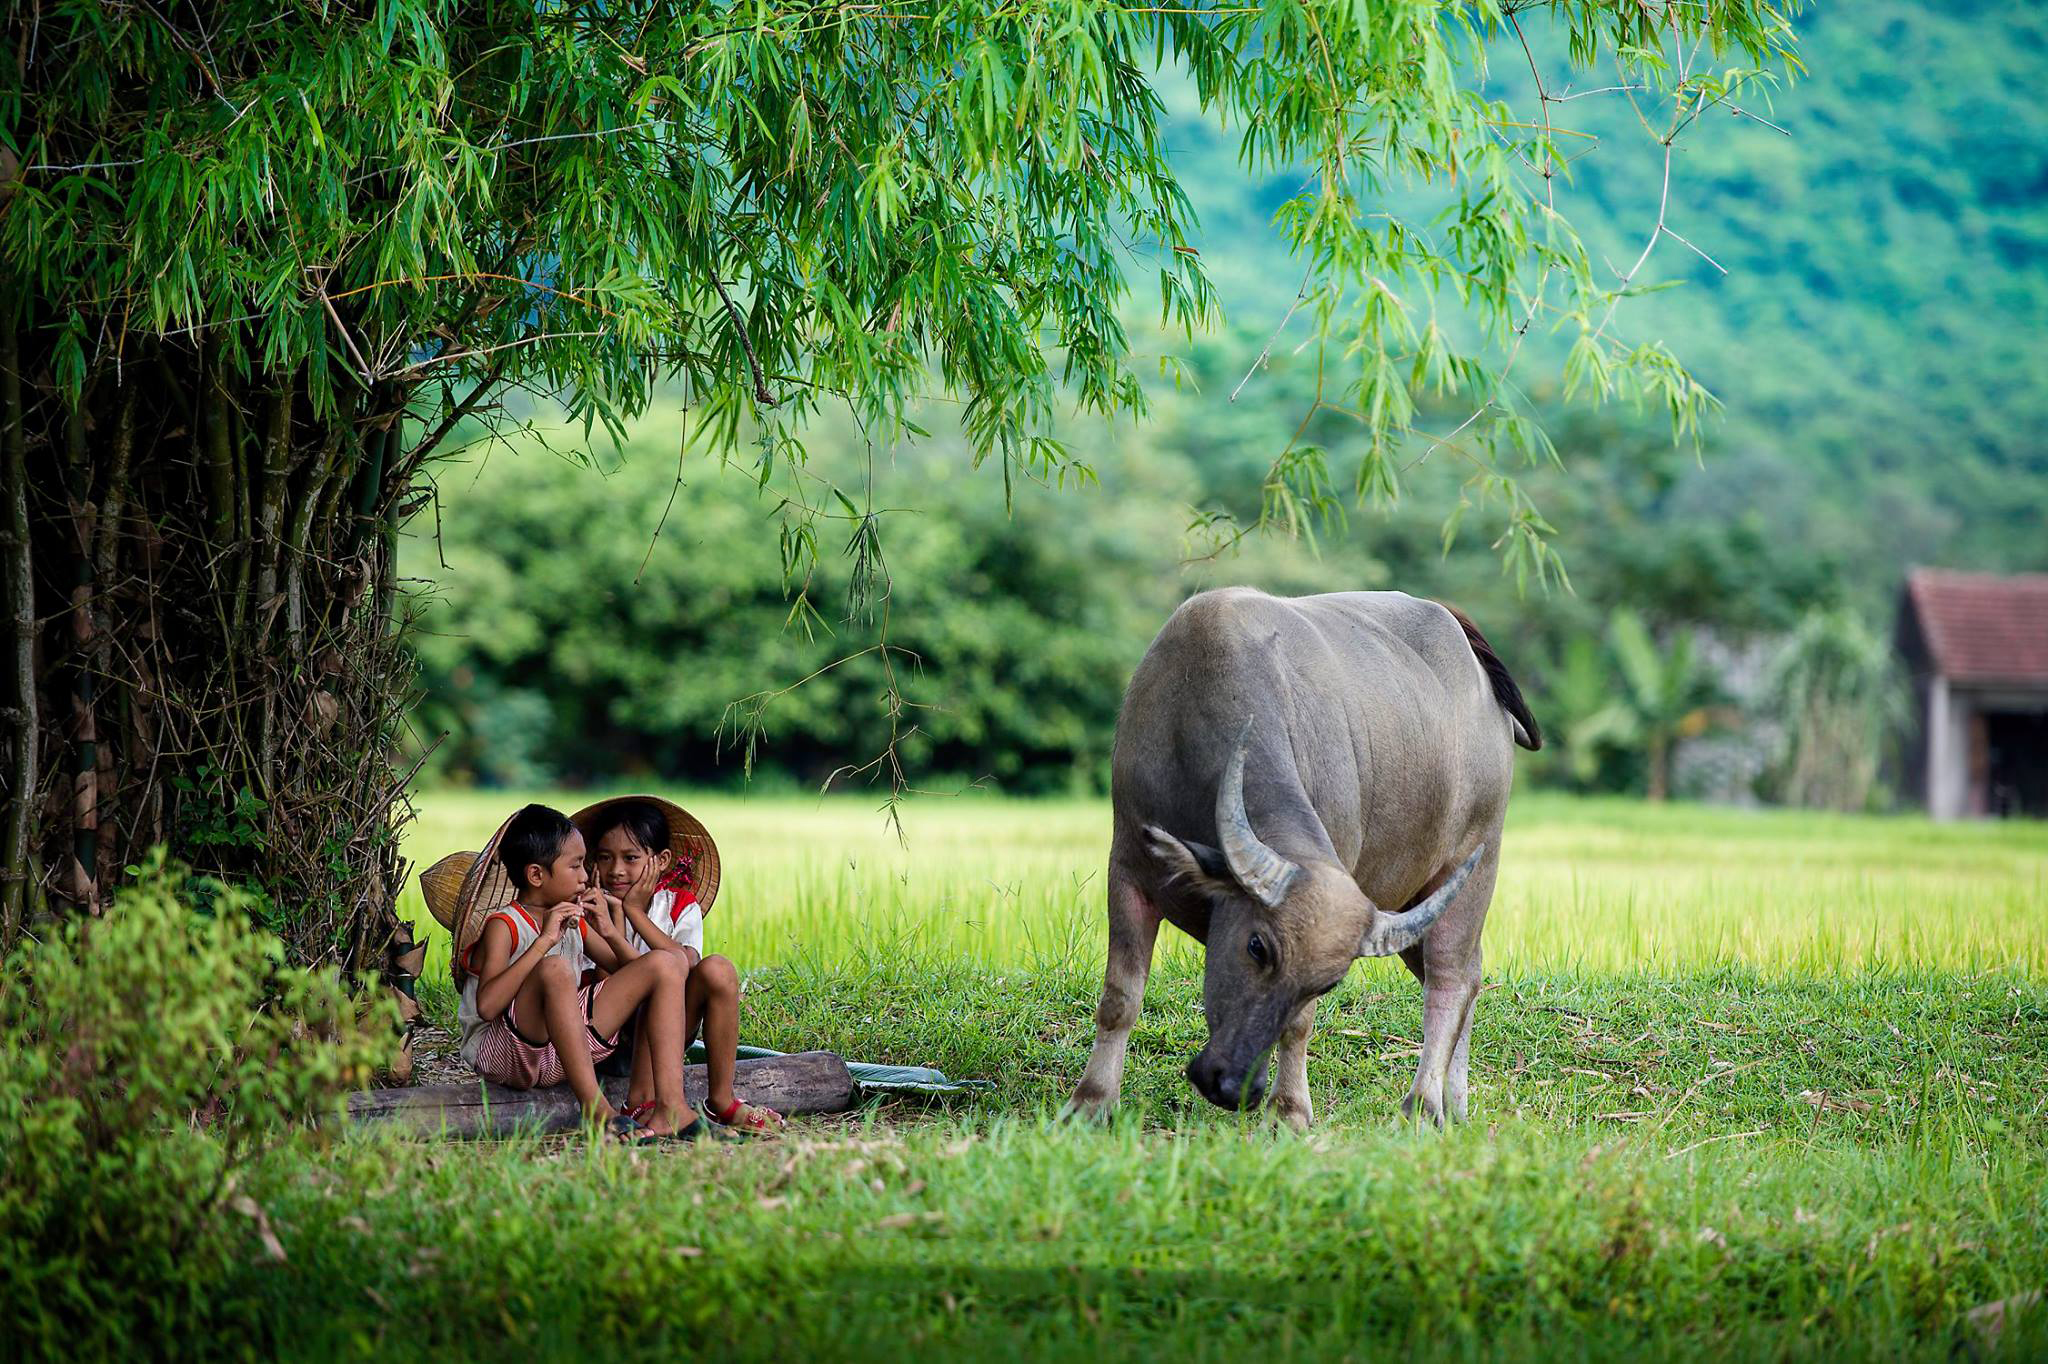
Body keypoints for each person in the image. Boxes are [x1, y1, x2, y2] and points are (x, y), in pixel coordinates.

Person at [455, 803, 725, 1142]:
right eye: (576, 865)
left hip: (562, 1054)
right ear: (537, 876)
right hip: (504, 1053)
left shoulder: (574, 922)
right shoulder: (504, 925)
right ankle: (596, 1110)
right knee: (555, 969)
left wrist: (610, 930)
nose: (587, 875)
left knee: (664, 964)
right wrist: (543, 942)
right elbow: (488, 1006)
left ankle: (671, 1107)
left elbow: (643, 978)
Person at [578, 796, 786, 1134]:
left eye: (630, 858)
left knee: (718, 968)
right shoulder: (588, 908)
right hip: (608, 1041)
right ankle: (641, 1099)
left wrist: (633, 912)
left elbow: (684, 963)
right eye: (604, 857)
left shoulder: (678, 905)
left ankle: (721, 1099)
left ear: (661, 861)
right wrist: (613, 924)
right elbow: (605, 980)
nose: (616, 870)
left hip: (668, 1031)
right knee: (655, 982)